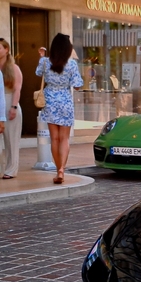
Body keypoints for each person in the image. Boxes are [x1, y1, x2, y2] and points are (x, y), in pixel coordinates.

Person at [36, 33, 83, 184]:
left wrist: (41, 56)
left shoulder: (45, 62)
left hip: (49, 101)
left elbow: (38, 73)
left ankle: (58, 171)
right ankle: (62, 169)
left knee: (54, 139)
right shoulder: (71, 64)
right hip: (65, 102)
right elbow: (77, 85)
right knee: (64, 139)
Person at [0, 38, 21, 179]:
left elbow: (17, 88)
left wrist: (13, 106)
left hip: (9, 102)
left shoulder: (13, 68)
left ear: (6, 49)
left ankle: (11, 169)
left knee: (11, 140)